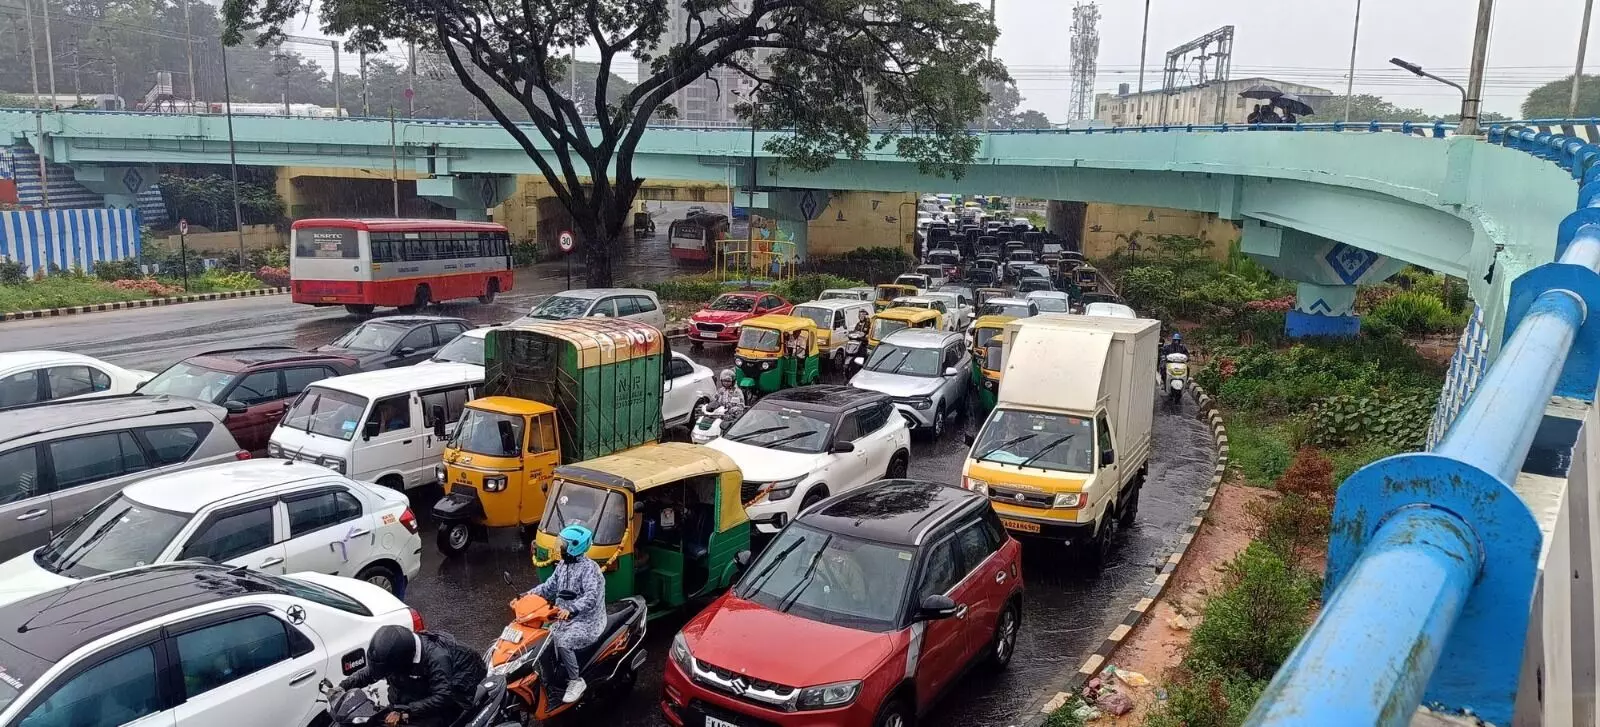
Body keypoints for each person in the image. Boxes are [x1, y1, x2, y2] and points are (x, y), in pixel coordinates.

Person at [339, 625, 487, 727]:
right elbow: (372, 672)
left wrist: (405, 712)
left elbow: (443, 696)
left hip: (445, 703)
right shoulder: (398, 656)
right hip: (410, 698)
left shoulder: (437, 658)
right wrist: (343, 687)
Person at [525, 523, 607, 703]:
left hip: (586, 620)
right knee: (540, 636)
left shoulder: (590, 570)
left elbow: (591, 598)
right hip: (561, 615)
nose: (559, 548)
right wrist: (526, 596)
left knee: (563, 641)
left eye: (562, 545)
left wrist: (571, 609)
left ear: (575, 546)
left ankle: (576, 681)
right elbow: (549, 587)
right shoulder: (563, 565)